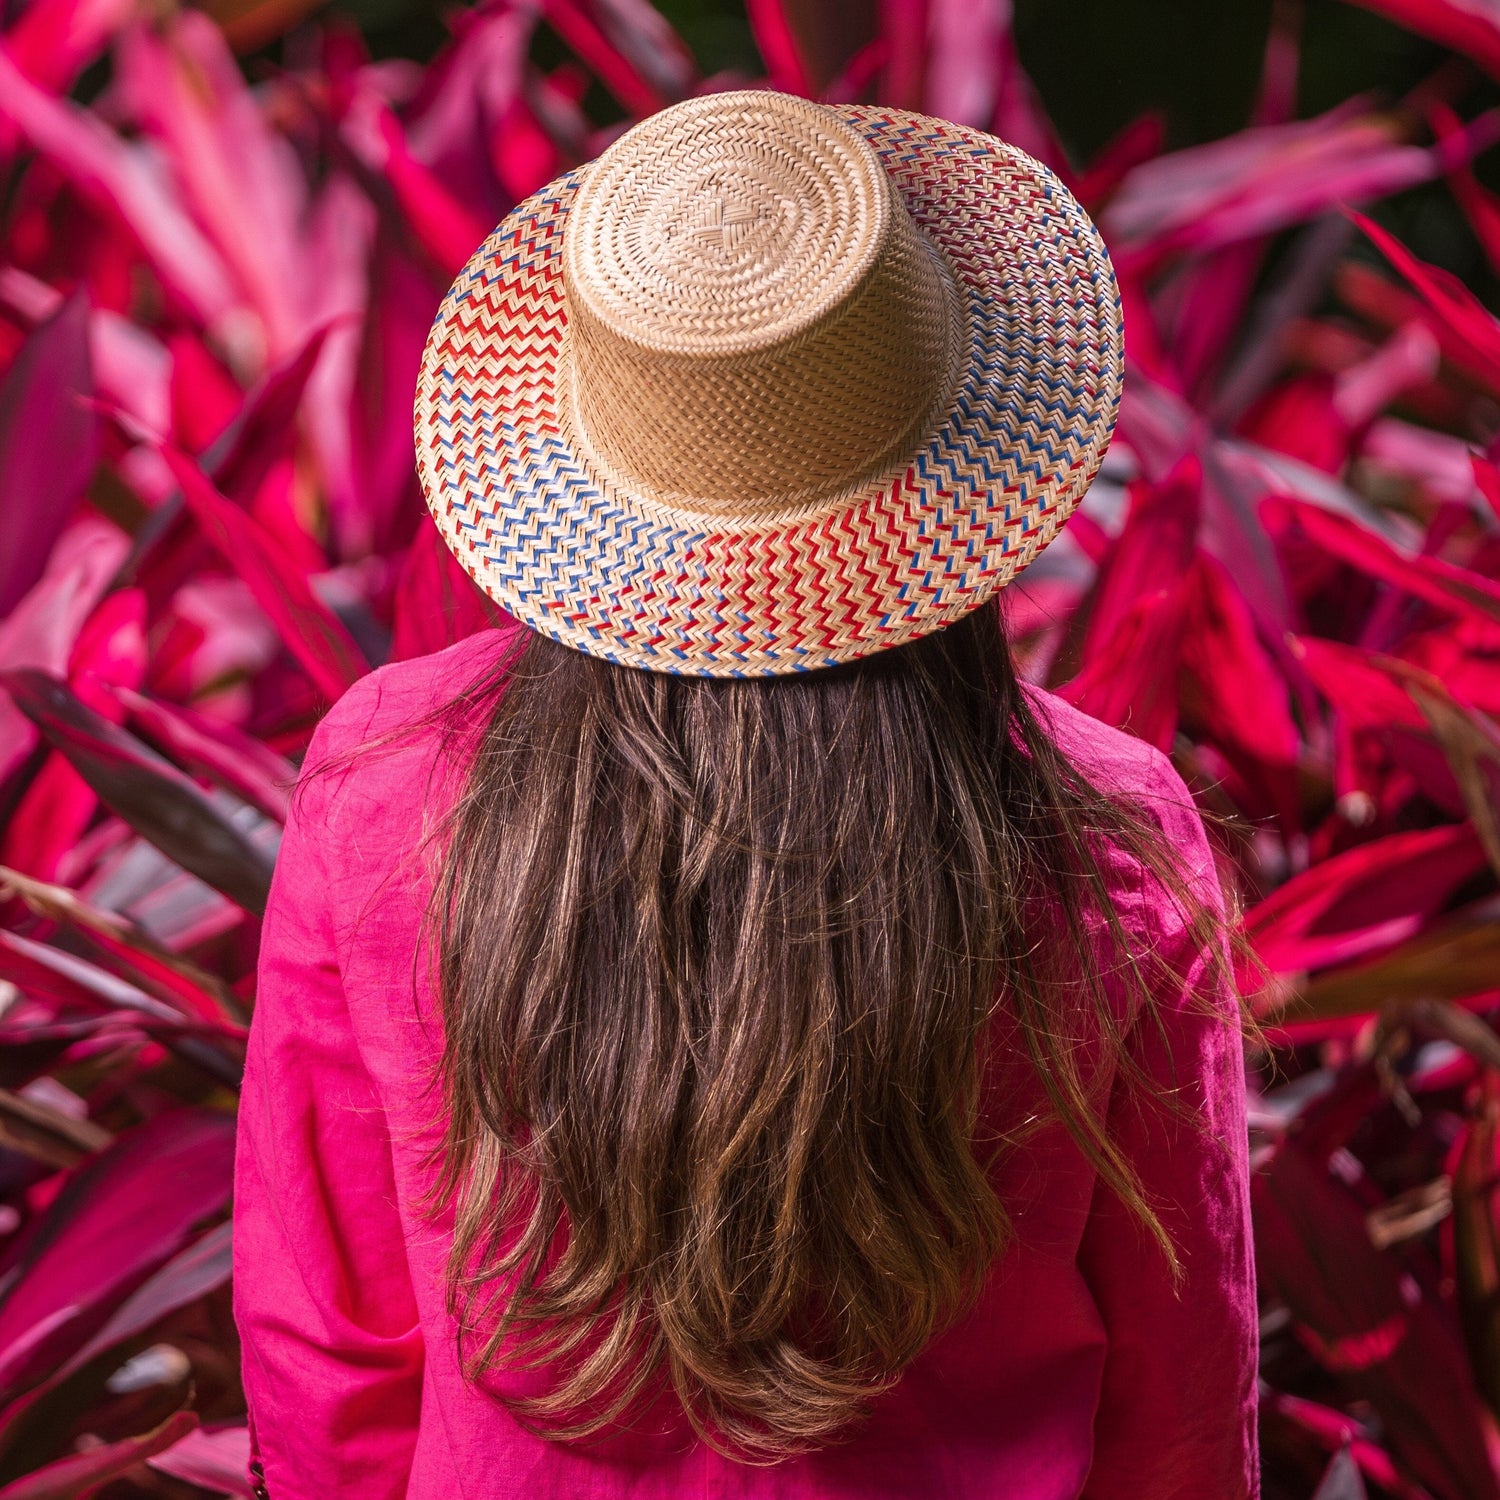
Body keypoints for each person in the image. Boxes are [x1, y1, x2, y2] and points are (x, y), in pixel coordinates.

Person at [233, 91, 1258, 1498]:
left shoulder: (387, 784)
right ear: (960, 445)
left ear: (587, 463)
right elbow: (1180, 1399)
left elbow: (325, 1345)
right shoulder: (1104, 839)